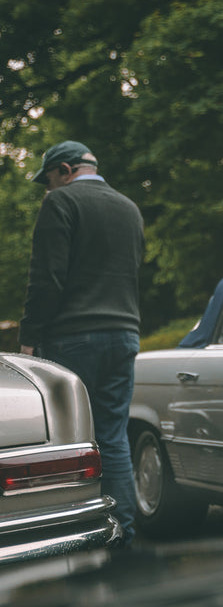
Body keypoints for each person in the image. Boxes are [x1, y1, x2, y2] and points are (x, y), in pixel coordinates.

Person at [19, 140, 144, 548]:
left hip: (74, 337)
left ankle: (75, 536)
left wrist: (30, 337)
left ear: (67, 169)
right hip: (124, 334)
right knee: (113, 437)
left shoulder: (62, 203)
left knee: (69, 443)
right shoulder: (129, 208)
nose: (47, 190)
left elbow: (47, 278)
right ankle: (123, 532)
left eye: (49, 180)